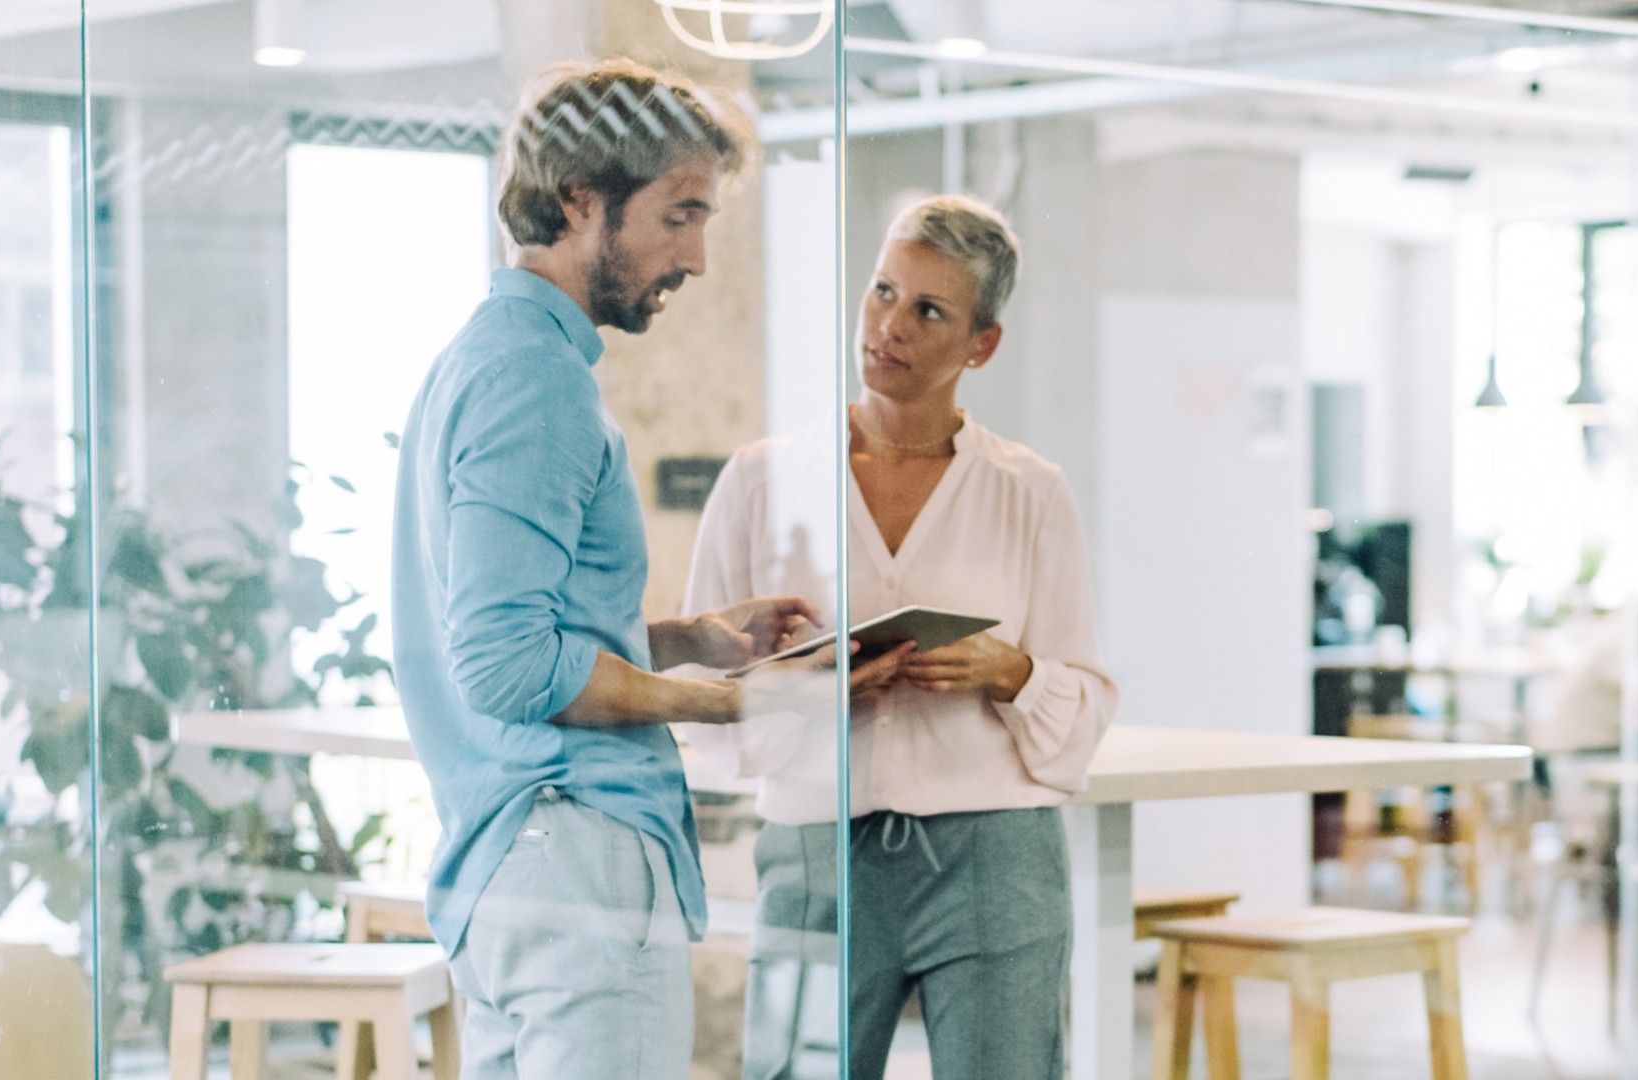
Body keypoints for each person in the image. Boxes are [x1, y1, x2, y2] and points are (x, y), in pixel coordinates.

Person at [391, 59, 820, 1080]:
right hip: (574, 853)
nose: (700, 258)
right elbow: (506, 665)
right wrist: (728, 707)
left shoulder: (483, 360)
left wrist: (691, 640)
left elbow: (512, 621)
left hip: (513, 860)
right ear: (582, 202)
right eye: (680, 215)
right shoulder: (533, 383)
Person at [681, 195, 1119, 1079]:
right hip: (817, 845)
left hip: (993, 858)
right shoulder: (763, 479)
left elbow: (1087, 694)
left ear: (980, 344)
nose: (890, 326)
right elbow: (697, 691)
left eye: (929, 310)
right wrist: (808, 684)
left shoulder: (1031, 491)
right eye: (883, 292)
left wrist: (1013, 672)